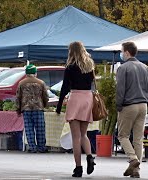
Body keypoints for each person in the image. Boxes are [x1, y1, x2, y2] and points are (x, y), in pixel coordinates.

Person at [56, 41, 96, 178]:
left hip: (75, 97)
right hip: (87, 98)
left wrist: (59, 105)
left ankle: (78, 168)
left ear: (71, 51)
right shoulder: (89, 66)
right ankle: (90, 156)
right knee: (84, 134)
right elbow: (91, 83)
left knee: (76, 137)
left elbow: (65, 87)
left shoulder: (70, 67)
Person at [116, 42, 148, 178]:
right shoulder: (146, 68)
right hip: (143, 105)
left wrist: (118, 105)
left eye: (121, 51)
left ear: (126, 52)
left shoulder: (123, 68)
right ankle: (136, 170)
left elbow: (120, 89)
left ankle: (133, 159)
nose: (121, 54)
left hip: (128, 105)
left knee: (123, 135)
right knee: (138, 138)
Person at [16, 64, 49, 153]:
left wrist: (18, 109)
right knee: (40, 128)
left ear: (26, 74)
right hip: (38, 108)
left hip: (26, 109)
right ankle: (41, 147)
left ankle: (32, 147)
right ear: (35, 73)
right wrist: (45, 105)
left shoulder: (21, 83)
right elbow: (45, 96)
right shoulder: (41, 83)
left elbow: (18, 97)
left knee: (29, 128)